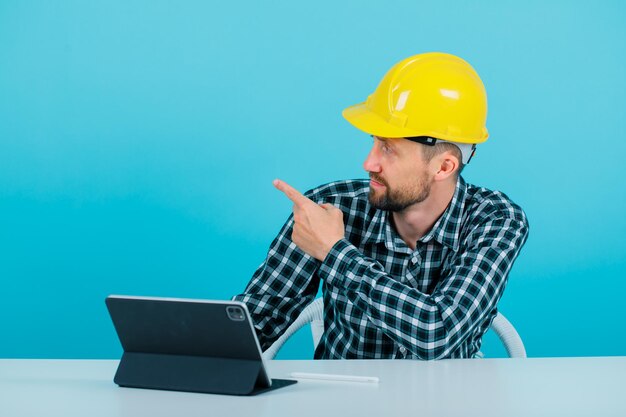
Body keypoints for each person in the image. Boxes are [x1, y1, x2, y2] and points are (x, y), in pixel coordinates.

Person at [233, 52, 529, 359]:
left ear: (443, 167)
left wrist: (335, 253)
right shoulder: (331, 209)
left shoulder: (496, 220)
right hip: (341, 403)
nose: (368, 162)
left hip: (447, 402)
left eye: (388, 149)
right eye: (374, 142)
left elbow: (437, 334)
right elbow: (253, 324)